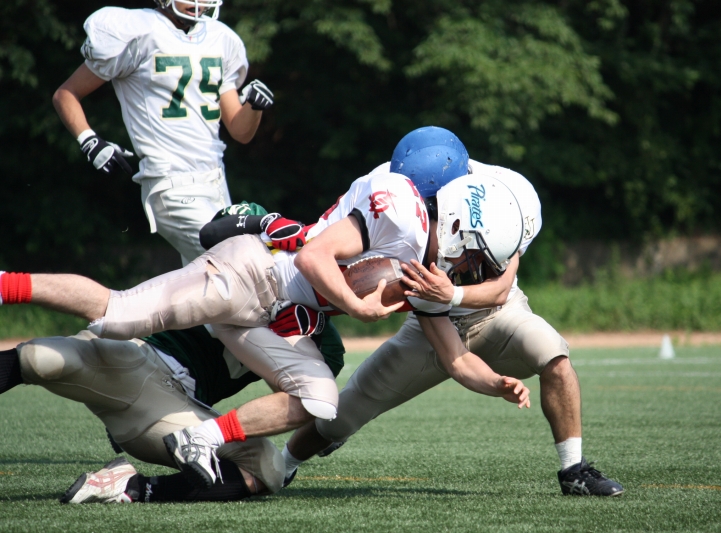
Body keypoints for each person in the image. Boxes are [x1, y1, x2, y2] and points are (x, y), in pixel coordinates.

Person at [0, 168, 531, 490]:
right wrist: (359, 307)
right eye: (475, 257)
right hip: (254, 273)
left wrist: (497, 384)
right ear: (458, 225)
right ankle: (8, 284)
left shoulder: (429, 274)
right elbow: (314, 258)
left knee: (320, 398)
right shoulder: (402, 211)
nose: (470, 269)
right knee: (118, 316)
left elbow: (456, 358)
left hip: (265, 317)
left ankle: (201, 438)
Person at [281, 126, 624, 497]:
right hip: (430, 318)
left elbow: (500, 289)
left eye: (427, 200)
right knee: (342, 414)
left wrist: (453, 292)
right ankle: (279, 465)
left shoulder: (510, 197)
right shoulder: (397, 190)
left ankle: (574, 469)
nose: (421, 206)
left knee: (554, 354)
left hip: (494, 311)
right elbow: (450, 350)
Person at [0, 322, 344, 503]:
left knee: (268, 469)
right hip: (135, 354)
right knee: (37, 359)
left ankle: (132, 487)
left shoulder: (326, 342)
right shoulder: (266, 245)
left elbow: (304, 402)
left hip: (166, 409)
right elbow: (215, 231)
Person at [52, 0, 274, 263]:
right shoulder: (138, 32)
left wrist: (254, 106)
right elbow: (66, 93)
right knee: (242, 265)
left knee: (211, 284)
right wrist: (89, 139)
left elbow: (240, 131)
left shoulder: (222, 39)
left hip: (216, 182)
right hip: (171, 184)